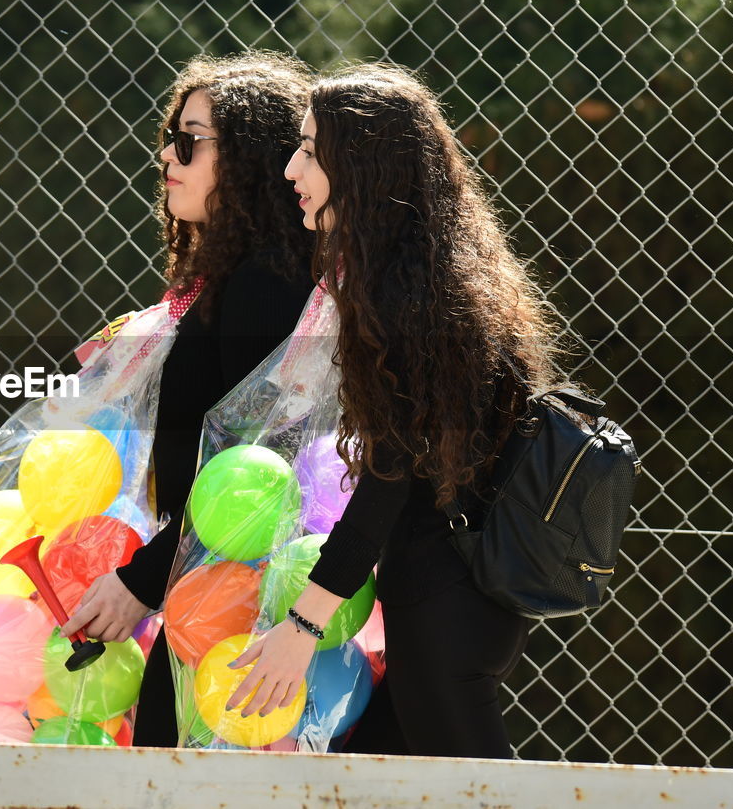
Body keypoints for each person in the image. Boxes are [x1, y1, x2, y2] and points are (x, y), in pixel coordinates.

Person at [226, 62, 560, 758]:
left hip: (445, 607)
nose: (292, 168)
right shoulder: (429, 283)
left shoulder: (407, 304)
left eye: (313, 151)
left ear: (366, 166)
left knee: (480, 797)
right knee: (371, 773)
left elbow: (387, 479)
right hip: (449, 603)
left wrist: (303, 625)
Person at [59, 51, 318, 746]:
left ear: (250, 159)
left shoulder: (265, 285)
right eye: (168, 139)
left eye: (190, 141)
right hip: (210, 590)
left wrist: (141, 580)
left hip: (242, 608)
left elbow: (257, 471)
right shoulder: (228, 280)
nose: (168, 157)